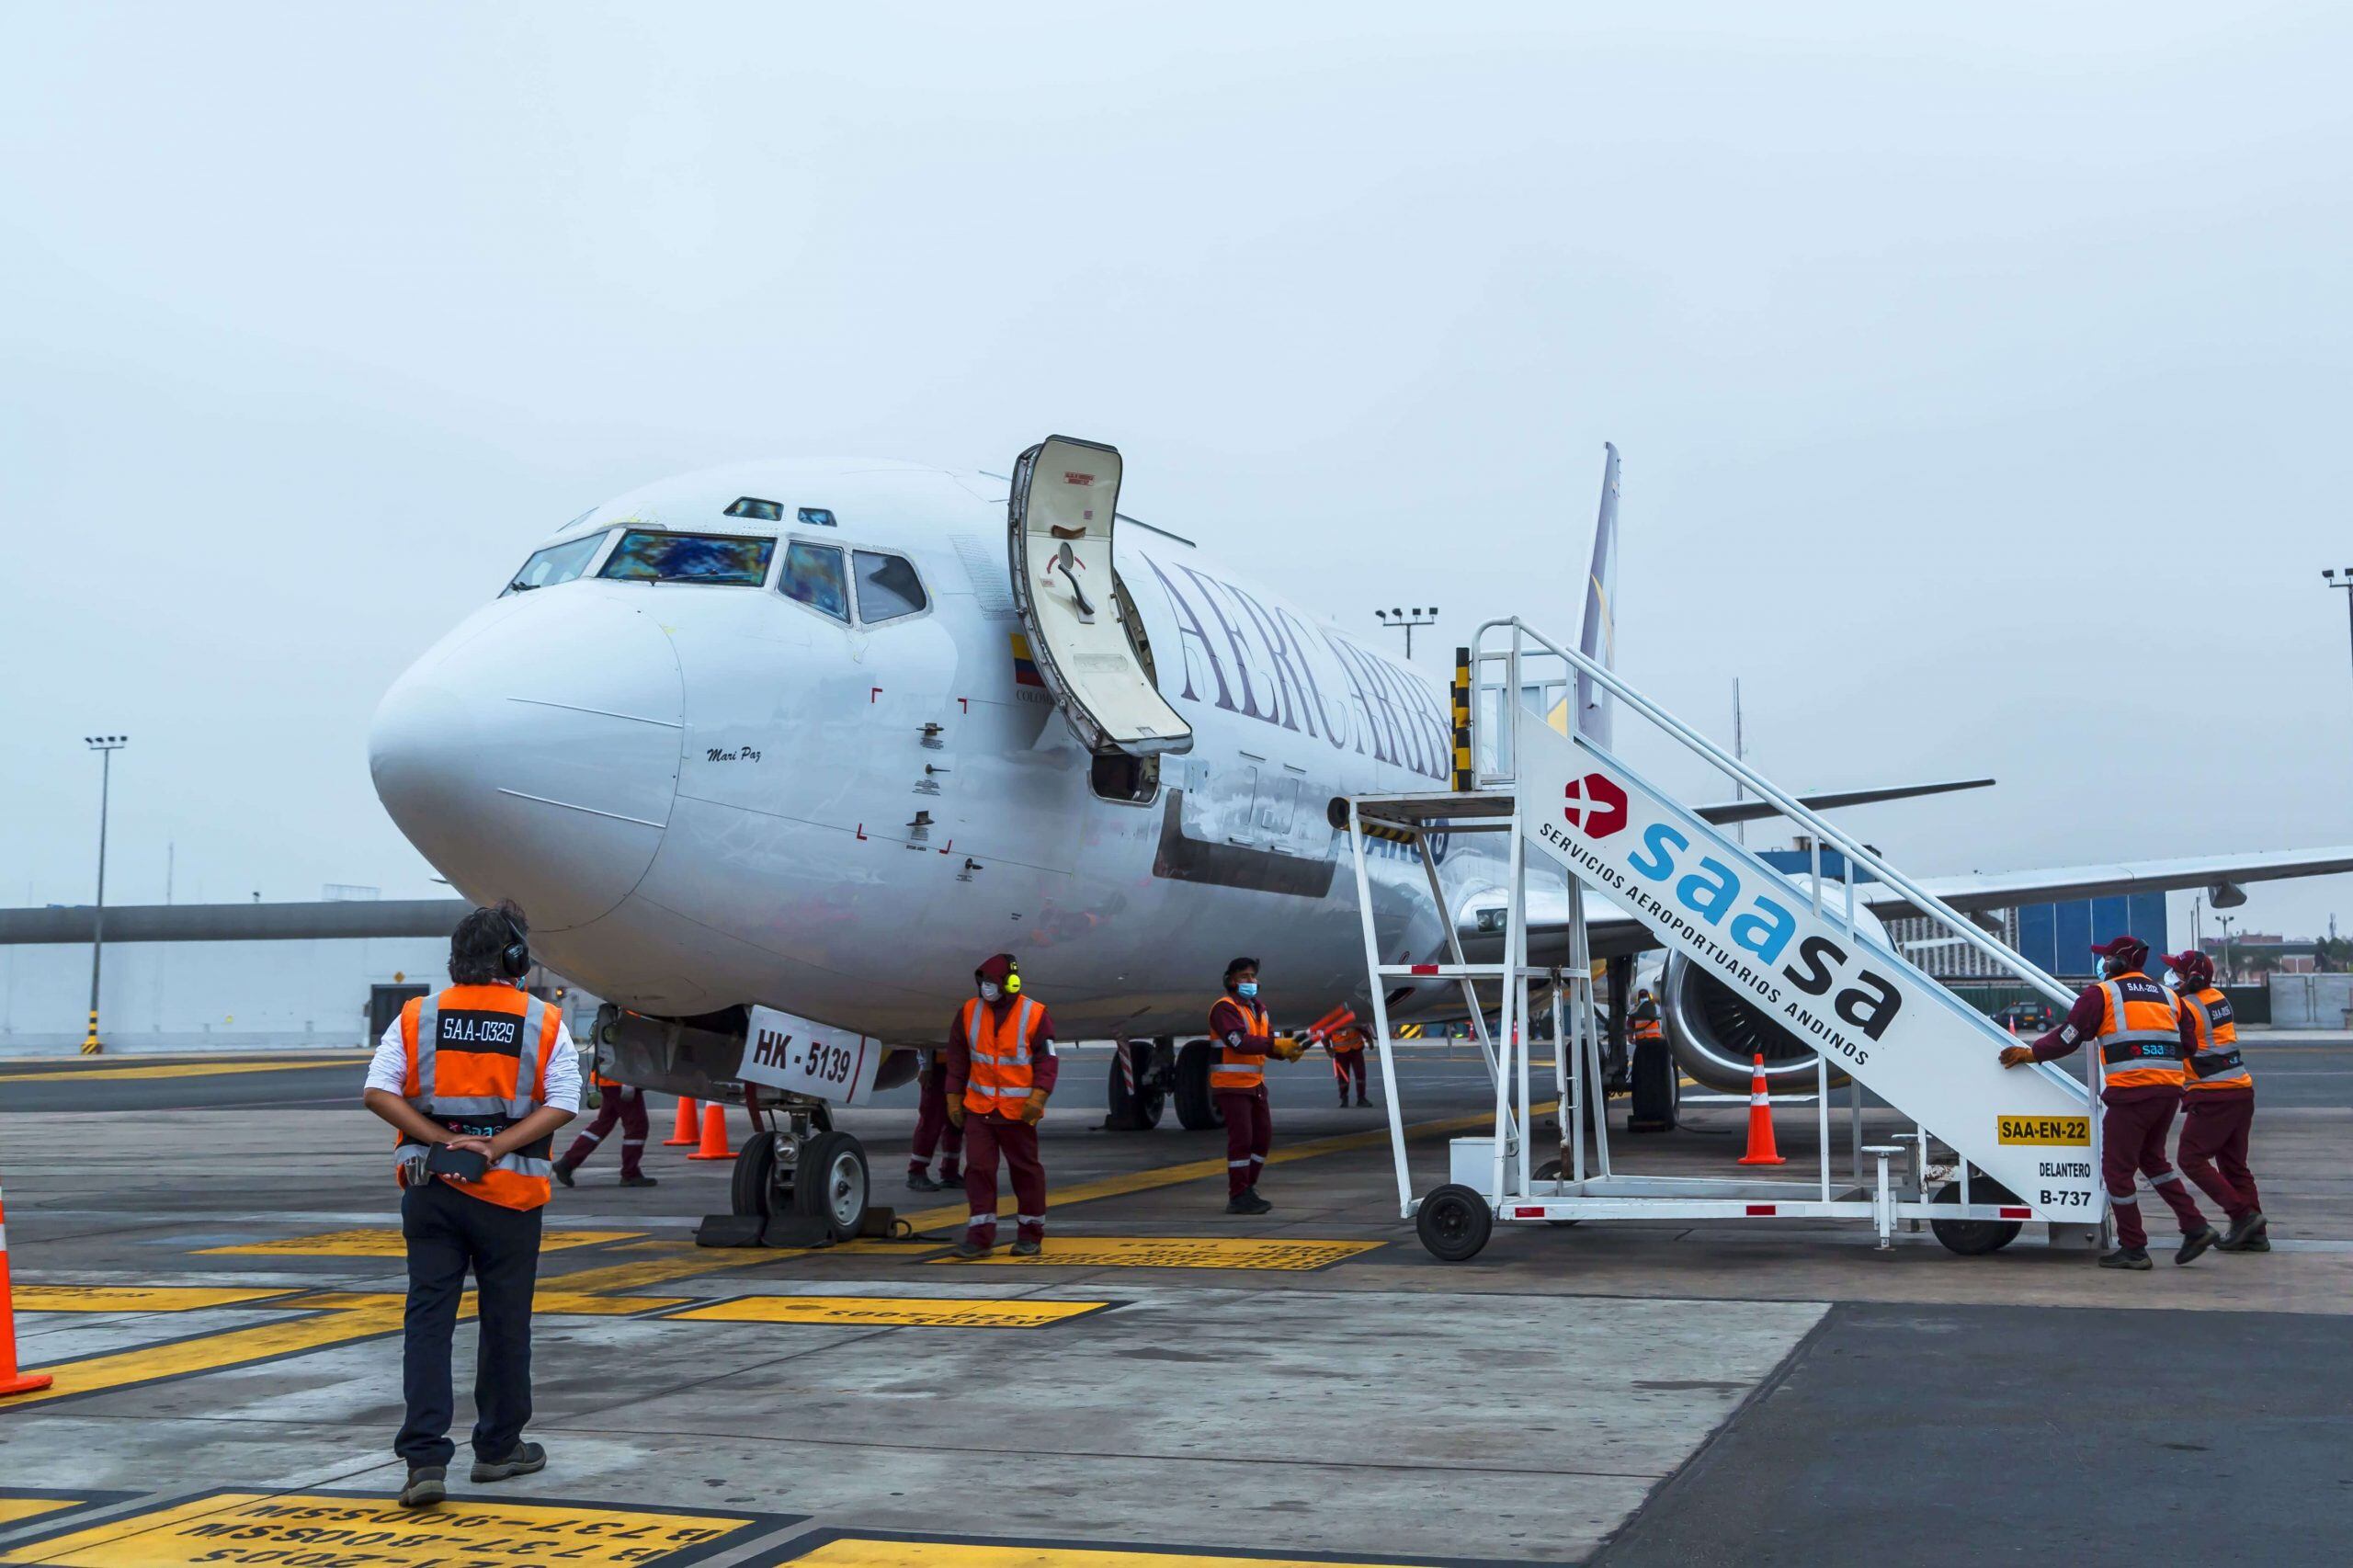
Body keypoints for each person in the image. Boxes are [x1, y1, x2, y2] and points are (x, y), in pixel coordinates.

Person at [363, 901, 580, 1508]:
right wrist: (494, 1147)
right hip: (508, 1199)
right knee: (506, 1325)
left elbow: (377, 1092)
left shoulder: (417, 1017)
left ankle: (424, 1460)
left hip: (431, 1191)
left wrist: (440, 1139)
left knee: (427, 1323)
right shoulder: (542, 1020)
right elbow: (565, 1100)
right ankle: (498, 1449)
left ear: (456, 959)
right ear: (515, 958)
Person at [1998, 934, 2218, 1270]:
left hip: (2131, 1093)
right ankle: (2195, 1225)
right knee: (2154, 1162)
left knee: (2117, 1172)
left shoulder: (2102, 994)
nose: (2102, 963)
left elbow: (2069, 1036)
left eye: (2106, 958)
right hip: (2168, 1093)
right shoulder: (2169, 997)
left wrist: (2032, 1053)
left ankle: (2134, 1247)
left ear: (2117, 963)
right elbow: (2188, 1045)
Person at [943, 953, 1056, 1257]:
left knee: (1025, 1172)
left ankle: (1030, 1235)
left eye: (992, 982)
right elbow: (957, 1057)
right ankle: (979, 1238)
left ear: (1010, 983)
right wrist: (953, 1096)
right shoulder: (969, 1012)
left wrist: (1039, 1095)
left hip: (1017, 1112)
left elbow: (1047, 1059)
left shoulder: (1034, 1014)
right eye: (983, 982)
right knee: (978, 1170)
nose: (986, 988)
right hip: (980, 1109)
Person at [2165, 949, 2267, 1252]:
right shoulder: (2219, 999)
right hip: (2240, 1090)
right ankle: (2256, 1234)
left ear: (2192, 979)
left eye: (2176, 973)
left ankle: (2242, 1216)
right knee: (2235, 1166)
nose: (2171, 977)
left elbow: (2174, 1044)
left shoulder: (2185, 1008)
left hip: (2212, 1093)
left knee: (2190, 1159)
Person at [1208, 958, 1313, 1215]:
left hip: (1254, 1084)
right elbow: (1239, 1042)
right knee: (1242, 1140)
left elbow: (1266, 1041)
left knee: (1262, 1139)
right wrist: (1276, 1046)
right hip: (1232, 1085)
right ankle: (1238, 1194)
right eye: (1244, 977)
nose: (1250, 981)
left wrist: (1286, 1050)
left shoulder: (1259, 1008)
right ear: (1230, 981)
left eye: (1252, 976)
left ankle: (1248, 1187)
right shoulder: (1224, 1009)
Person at [552, 1069, 657, 1188]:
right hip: (621, 1078)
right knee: (637, 1126)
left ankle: (568, 1163)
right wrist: (629, 1081)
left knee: (603, 1124)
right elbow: (629, 1054)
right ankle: (630, 1173)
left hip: (609, 1077)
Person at [905, 1047, 965, 1193]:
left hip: (957, 1065)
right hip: (938, 1067)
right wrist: (926, 1067)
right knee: (931, 1120)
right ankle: (916, 1171)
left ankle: (950, 1171)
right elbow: (927, 1038)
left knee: (955, 1120)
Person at [1326, 1021, 1370, 1108]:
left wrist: (1370, 1040)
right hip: (1341, 1053)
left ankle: (1361, 1098)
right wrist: (1328, 1049)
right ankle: (1344, 1098)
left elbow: (1363, 1030)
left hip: (1356, 1050)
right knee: (1343, 1077)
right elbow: (1325, 1036)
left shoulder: (1352, 1020)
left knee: (1360, 1074)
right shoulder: (1332, 1024)